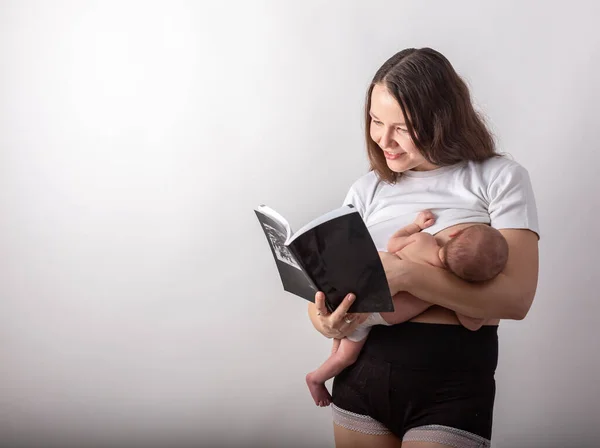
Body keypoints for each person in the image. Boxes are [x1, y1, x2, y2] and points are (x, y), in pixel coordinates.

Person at [307, 47, 539, 448]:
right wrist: (323, 320)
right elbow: (331, 285)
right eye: (376, 121)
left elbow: (516, 300)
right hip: (362, 374)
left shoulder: (499, 177)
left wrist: (408, 274)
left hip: (452, 383)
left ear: (441, 120)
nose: (383, 139)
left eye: (402, 127)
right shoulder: (366, 190)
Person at [306, 210, 509, 406]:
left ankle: (327, 363)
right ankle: (315, 378)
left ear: (454, 233)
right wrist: (481, 307)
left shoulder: (423, 241)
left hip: (358, 290)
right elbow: (472, 325)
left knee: (341, 335)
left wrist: (416, 225)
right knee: (346, 356)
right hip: (372, 314)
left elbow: (393, 243)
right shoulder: (452, 287)